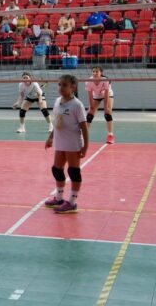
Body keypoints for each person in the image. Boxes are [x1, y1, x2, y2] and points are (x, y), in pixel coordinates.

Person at [44, 74, 89, 215]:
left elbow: (84, 127)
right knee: (57, 170)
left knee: (73, 172)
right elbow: (56, 122)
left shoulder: (77, 105)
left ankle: (72, 202)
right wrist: (50, 137)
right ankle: (59, 198)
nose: (61, 87)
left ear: (73, 87)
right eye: (59, 84)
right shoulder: (58, 101)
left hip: (72, 143)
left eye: (64, 85)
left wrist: (85, 146)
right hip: (60, 142)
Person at [85, 66, 115, 144]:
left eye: (97, 71)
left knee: (107, 113)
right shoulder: (89, 81)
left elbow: (106, 93)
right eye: (93, 71)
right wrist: (91, 107)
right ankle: (85, 135)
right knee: (89, 114)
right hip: (97, 95)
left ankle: (110, 135)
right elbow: (90, 95)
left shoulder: (105, 80)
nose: (94, 73)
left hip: (107, 94)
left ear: (101, 73)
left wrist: (106, 108)